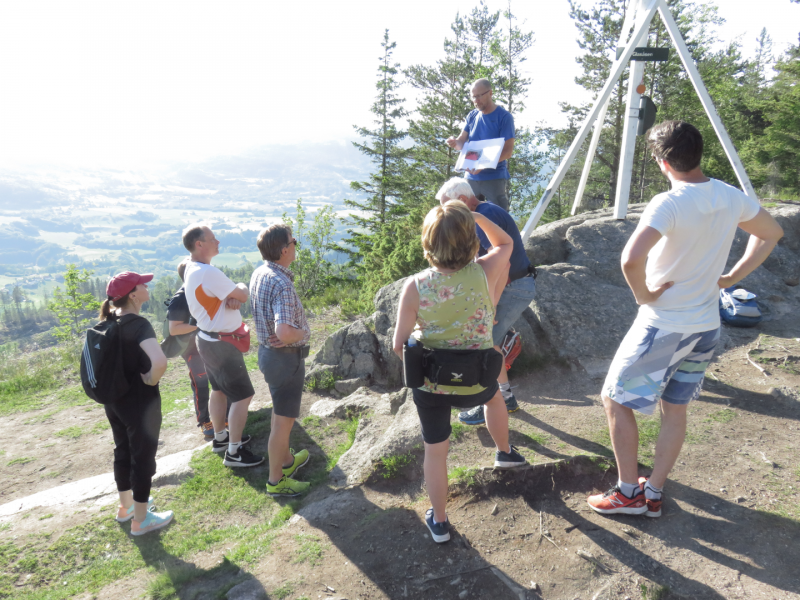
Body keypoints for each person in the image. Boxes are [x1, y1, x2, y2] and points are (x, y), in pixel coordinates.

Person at [587, 121, 783, 518]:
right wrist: (731, 278)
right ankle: (654, 492)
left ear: (663, 162)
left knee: (616, 399)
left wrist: (644, 295)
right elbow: (771, 231)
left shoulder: (669, 203)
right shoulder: (730, 196)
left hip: (663, 325)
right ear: (698, 153)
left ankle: (628, 494)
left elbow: (630, 258)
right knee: (675, 409)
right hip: (706, 326)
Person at [393, 201, 526, 544]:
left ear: (427, 242)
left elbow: (398, 345)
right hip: (478, 380)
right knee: (496, 399)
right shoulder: (485, 271)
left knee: (435, 451)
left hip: (432, 386)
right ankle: (504, 452)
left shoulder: (416, 286)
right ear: (471, 241)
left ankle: (439, 521)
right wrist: (477, 216)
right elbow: (507, 243)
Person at [436, 177, 536, 425]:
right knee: (490, 343)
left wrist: (489, 304)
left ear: (461, 201)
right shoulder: (486, 211)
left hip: (512, 288)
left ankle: (489, 401)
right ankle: (505, 397)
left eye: (446, 206)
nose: (444, 213)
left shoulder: (481, 218)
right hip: (516, 285)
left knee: (484, 344)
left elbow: (501, 265)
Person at [182, 224, 263, 468]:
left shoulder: (191, 268)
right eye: (213, 238)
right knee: (243, 395)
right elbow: (243, 294)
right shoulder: (208, 272)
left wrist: (230, 296)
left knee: (218, 390)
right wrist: (238, 288)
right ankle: (235, 453)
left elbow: (228, 297)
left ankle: (221, 438)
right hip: (222, 344)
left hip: (206, 339)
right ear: (199, 244)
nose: (218, 242)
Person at [101, 271, 174, 536]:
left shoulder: (110, 321)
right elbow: (160, 362)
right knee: (143, 456)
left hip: (114, 400)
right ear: (133, 295)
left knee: (122, 449)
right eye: (143, 284)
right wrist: (152, 380)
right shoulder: (139, 324)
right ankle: (142, 521)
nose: (147, 286)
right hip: (141, 404)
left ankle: (126, 507)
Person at [250, 224, 312, 497]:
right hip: (285, 360)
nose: (296, 245)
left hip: (269, 355)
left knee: (279, 413)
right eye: (294, 241)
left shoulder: (261, 273)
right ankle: (277, 481)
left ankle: (286, 460)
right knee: (282, 422)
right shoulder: (281, 283)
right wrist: (304, 333)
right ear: (285, 250)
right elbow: (284, 332)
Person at [166, 258, 231, 439]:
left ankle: (225, 415)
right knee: (201, 382)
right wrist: (202, 326)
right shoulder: (180, 298)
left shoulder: (203, 290)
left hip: (210, 342)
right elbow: (174, 329)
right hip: (191, 347)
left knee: (221, 378)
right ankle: (205, 421)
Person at [446, 78, 515, 211]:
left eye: (479, 96)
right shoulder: (472, 116)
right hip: (471, 177)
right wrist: (455, 142)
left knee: (498, 217)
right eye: (473, 97)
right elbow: (462, 141)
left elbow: (507, 152)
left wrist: (482, 165)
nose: (476, 100)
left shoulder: (504, 117)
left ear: (490, 93)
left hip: (494, 178)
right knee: (468, 217)